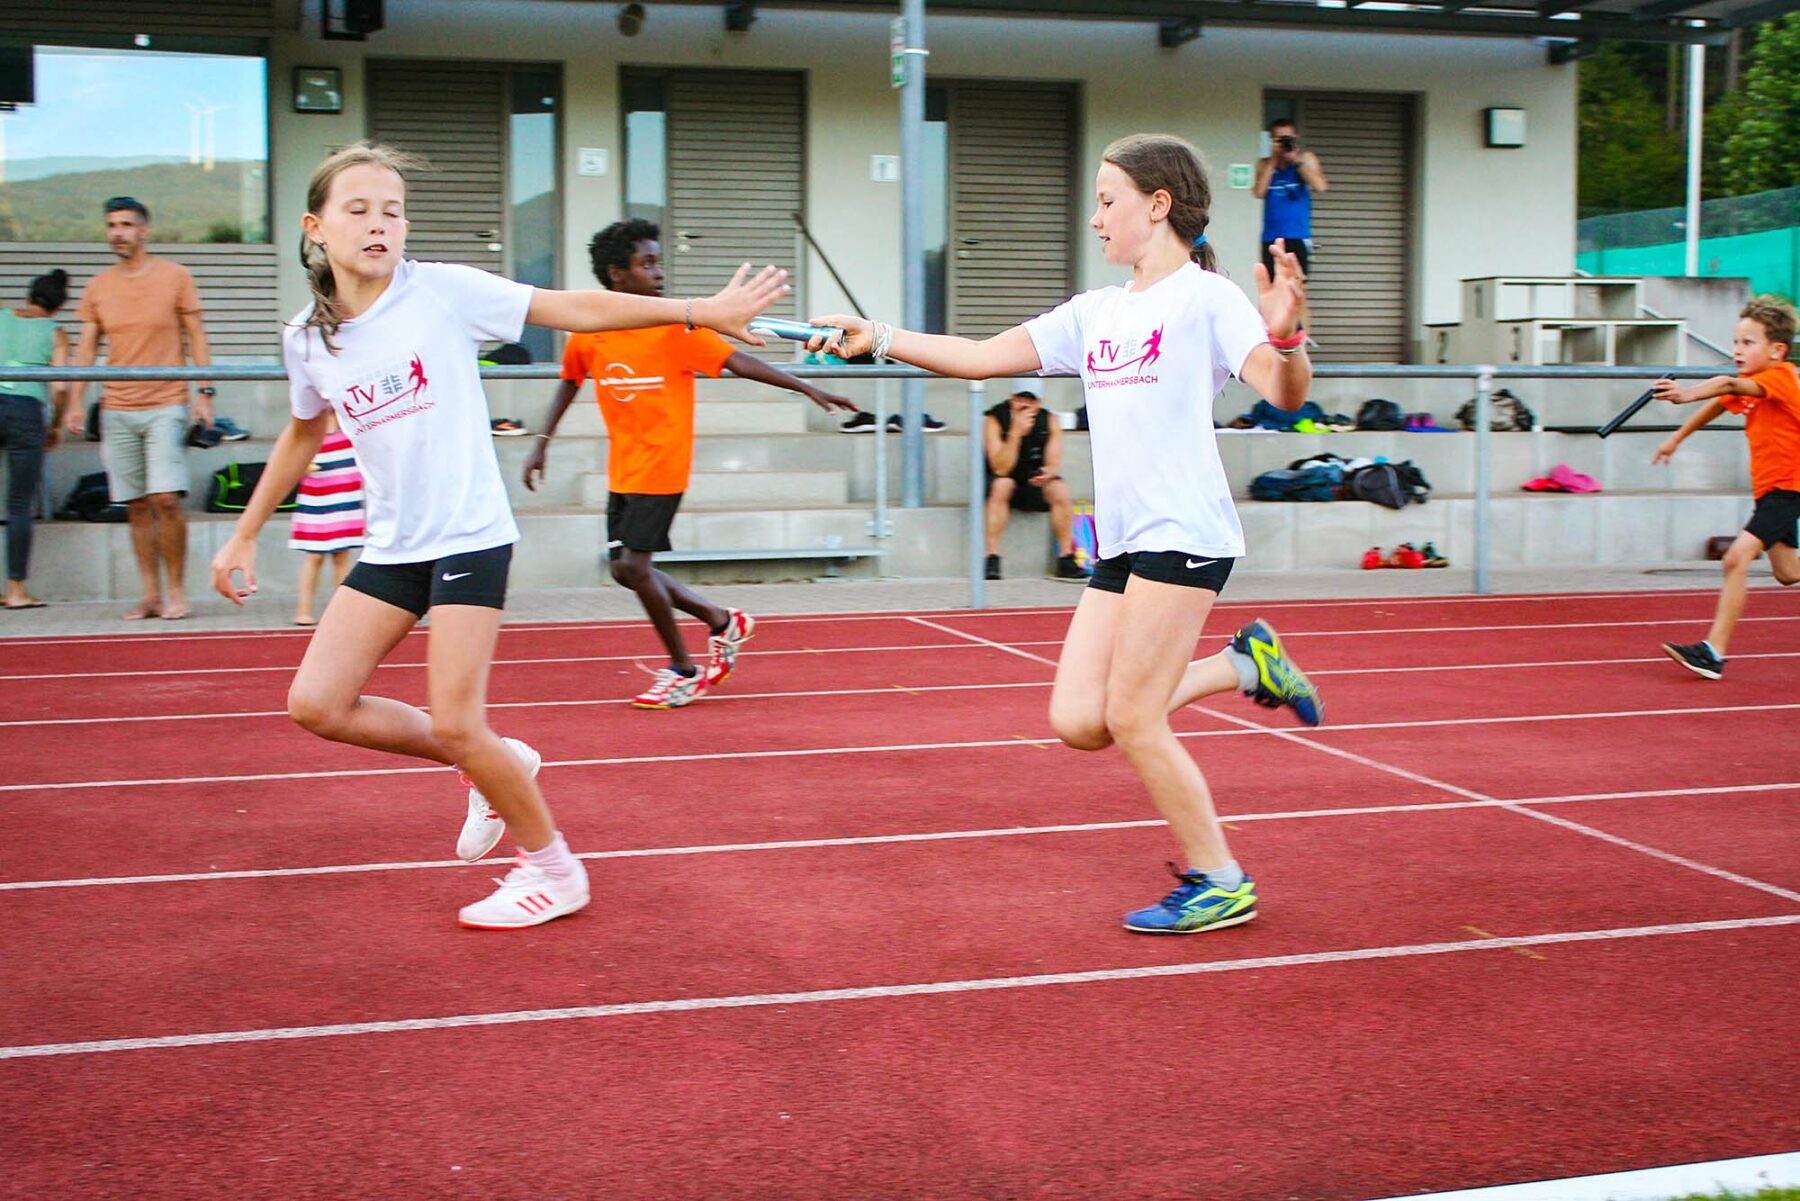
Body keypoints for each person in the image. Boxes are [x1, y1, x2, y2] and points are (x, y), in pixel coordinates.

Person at [209, 142, 788, 929]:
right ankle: (498, 760)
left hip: (468, 535)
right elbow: (303, 431)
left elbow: (573, 309)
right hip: (394, 544)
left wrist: (696, 311)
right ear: (316, 227)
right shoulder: (308, 337)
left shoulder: (443, 292)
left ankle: (553, 870)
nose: (380, 225)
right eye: (359, 210)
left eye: (393, 211)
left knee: (457, 718)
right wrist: (243, 534)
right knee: (317, 703)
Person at [810, 133, 1323, 935]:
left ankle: (1220, 878)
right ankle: (1241, 664)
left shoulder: (1208, 298)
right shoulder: (1095, 313)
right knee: (1081, 720)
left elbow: (1283, 392)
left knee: (1135, 717)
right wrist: (876, 337)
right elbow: (979, 357)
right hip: (1120, 540)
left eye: (1108, 200)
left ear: (1158, 205)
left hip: (1184, 530)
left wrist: (1287, 337)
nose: (1096, 217)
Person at [523, 218, 857, 710]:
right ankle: (723, 621)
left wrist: (808, 386)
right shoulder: (591, 332)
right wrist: (541, 442)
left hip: (663, 465)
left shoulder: (675, 328)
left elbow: (740, 362)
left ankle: (682, 669)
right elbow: (570, 381)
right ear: (617, 274)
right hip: (624, 467)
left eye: (658, 262)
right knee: (622, 570)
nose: (659, 272)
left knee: (634, 567)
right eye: (647, 263)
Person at [72, 197, 216, 621]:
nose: (118, 233)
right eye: (112, 226)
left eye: (126, 225)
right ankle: (150, 594)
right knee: (135, 503)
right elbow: (86, 347)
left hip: (166, 402)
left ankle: (176, 591)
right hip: (116, 407)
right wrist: (76, 400)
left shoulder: (175, 276)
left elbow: (196, 335)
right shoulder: (98, 286)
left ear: (144, 231)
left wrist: (205, 392)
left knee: (166, 498)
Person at [1651, 296, 1800, 679]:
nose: (1737, 350)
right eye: (1735, 342)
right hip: (1770, 490)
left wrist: (1685, 393)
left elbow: (1726, 383)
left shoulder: (1780, 378)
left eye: (1748, 343)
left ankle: (1712, 653)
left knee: (1736, 557)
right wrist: (1676, 439)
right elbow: (1720, 402)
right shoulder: (1754, 385)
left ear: (1777, 350)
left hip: (1789, 488)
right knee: (1788, 572)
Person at [0, 270, 72, 609]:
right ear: (58, 307)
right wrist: (55, 426)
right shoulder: (56, 333)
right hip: (25, 413)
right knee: (18, 504)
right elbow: (60, 388)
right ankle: (16, 590)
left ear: (28, 296)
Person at [983, 389, 1083, 581]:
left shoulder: (1049, 420)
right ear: (1011, 399)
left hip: (1034, 480)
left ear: (1039, 403)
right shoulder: (995, 419)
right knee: (1002, 485)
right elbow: (1000, 468)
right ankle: (992, 557)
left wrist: (1046, 474)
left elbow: (1053, 463)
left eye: (1030, 401)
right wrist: (1015, 433)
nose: (1025, 405)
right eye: (1020, 399)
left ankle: (1066, 557)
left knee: (1059, 489)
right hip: (1004, 479)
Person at [288, 412, 364, 626]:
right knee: (314, 556)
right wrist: (303, 464)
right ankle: (303, 609)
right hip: (317, 499)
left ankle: (344, 611)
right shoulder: (309, 426)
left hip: (344, 497)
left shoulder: (350, 424)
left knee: (341, 555)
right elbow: (294, 455)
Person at [1252, 119, 1327, 283]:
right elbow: (1258, 192)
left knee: (1298, 287)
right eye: (1280, 139)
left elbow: (1320, 186)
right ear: (1272, 140)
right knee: (1272, 285)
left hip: (1297, 235)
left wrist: (1296, 160)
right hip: (1271, 237)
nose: (1284, 143)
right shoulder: (1265, 164)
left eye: (1288, 138)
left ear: (1295, 138)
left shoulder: (1305, 159)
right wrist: (1273, 160)